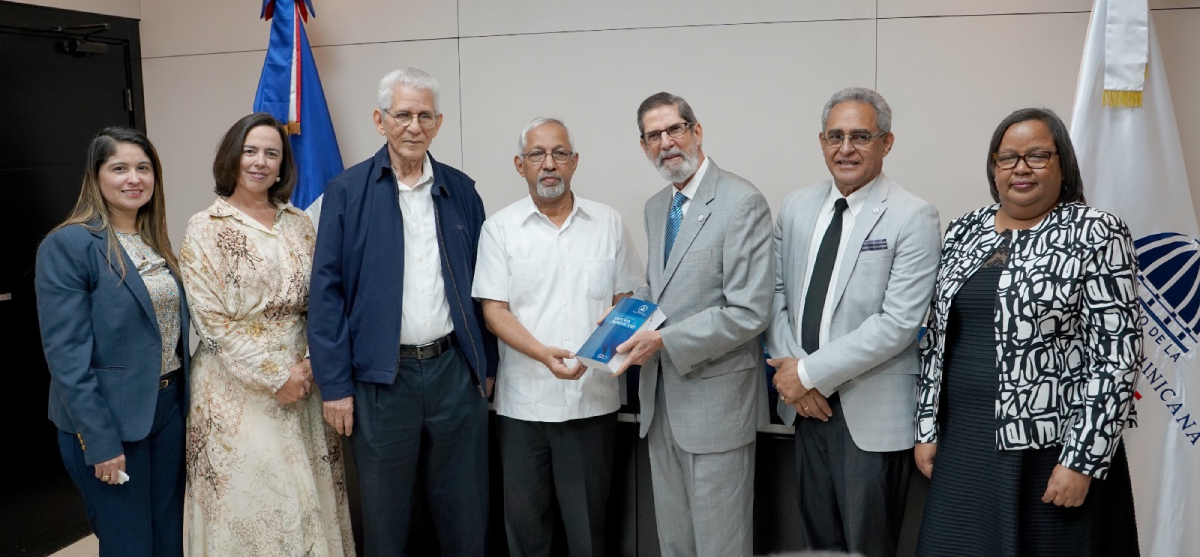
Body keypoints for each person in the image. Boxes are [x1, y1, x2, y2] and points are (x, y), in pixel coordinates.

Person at [914, 108, 1142, 556]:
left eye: (1038, 155)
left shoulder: (1096, 232)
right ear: (993, 167)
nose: (1020, 168)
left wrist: (1082, 460)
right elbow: (938, 338)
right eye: (1007, 157)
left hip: (1050, 448)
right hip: (964, 440)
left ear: (1063, 164)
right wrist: (926, 426)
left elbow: (1118, 355)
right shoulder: (966, 229)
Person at [308, 67, 498, 556]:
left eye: (424, 116)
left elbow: (486, 285)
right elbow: (325, 294)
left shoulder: (462, 190)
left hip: (455, 373)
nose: (414, 126)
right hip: (379, 381)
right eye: (403, 115)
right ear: (380, 120)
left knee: (465, 509)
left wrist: (487, 364)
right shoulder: (346, 192)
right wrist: (335, 386)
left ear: (437, 123)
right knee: (386, 516)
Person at [765, 87, 941, 557]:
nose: (846, 149)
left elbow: (898, 323)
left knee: (868, 547)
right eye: (835, 137)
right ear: (821, 141)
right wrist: (797, 380)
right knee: (817, 545)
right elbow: (776, 295)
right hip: (806, 410)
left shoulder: (914, 216)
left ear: (886, 143)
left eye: (861, 136)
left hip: (869, 413)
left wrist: (805, 375)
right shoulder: (797, 207)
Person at [179, 113, 353, 556]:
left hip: (306, 380)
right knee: (255, 507)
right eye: (250, 151)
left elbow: (326, 299)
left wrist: (313, 360)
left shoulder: (299, 223)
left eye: (271, 153)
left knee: (305, 501)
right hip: (236, 391)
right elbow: (211, 322)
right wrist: (277, 375)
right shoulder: (206, 227)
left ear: (282, 164)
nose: (259, 162)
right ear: (232, 157)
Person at [472, 117, 644, 557]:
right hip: (523, 410)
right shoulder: (500, 229)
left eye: (559, 153)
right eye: (537, 155)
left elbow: (628, 299)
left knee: (590, 535)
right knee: (528, 535)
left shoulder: (607, 222)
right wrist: (542, 353)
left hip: (594, 403)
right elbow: (493, 310)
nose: (549, 164)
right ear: (520, 164)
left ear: (574, 161)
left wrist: (599, 349)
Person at [615, 92, 773, 557]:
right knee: (675, 544)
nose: (666, 143)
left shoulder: (742, 201)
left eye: (674, 130)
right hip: (660, 404)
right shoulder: (654, 208)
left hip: (716, 407)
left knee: (720, 547)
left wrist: (664, 340)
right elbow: (663, 291)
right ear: (644, 146)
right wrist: (625, 311)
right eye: (654, 136)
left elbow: (748, 311)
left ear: (696, 131)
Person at [36, 127, 189, 556]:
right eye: (119, 168)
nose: (133, 178)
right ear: (96, 175)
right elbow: (66, 358)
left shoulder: (153, 239)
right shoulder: (69, 244)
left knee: (168, 537)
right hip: (109, 422)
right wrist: (100, 441)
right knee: (129, 545)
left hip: (167, 409)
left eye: (143, 168)